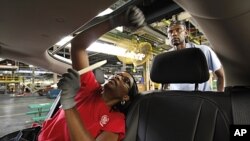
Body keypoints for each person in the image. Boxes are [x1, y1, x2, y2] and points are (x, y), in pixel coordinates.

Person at [38, 6, 144, 141]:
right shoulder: (89, 87)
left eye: (125, 81)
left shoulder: (116, 120)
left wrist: (69, 103)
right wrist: (114, 21)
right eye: (119, 74)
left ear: (125, 97)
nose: (118, 76)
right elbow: (78, 46)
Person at [166, 20, 225, 92]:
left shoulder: (203, 50)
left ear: (186, 33)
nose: (174, 34)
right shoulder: (166, 57)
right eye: (170, 32)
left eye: (178, 30)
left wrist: (220, 98)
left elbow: (221, 76)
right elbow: (164, 81)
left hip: (202, 99)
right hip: (177, 99)